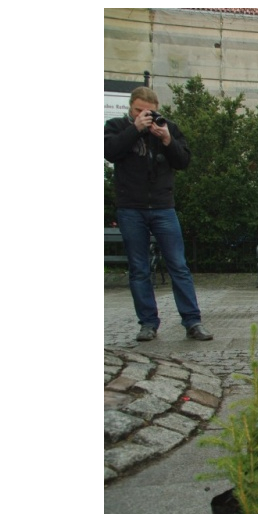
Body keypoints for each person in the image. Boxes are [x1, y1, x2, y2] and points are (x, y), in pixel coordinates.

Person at [104, 87, 213, 342]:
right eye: (138, 111)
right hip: (131, 207)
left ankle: (193, 322)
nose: (144, 115)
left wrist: (166, 139)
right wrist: (136, 129)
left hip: (163, 207)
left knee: (179, 265)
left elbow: (183, 161)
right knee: (139, 268)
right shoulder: (116, 126)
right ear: (130, 109)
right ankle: (148, 324)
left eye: (149, 112)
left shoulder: (167, 128)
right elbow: (110, 152)